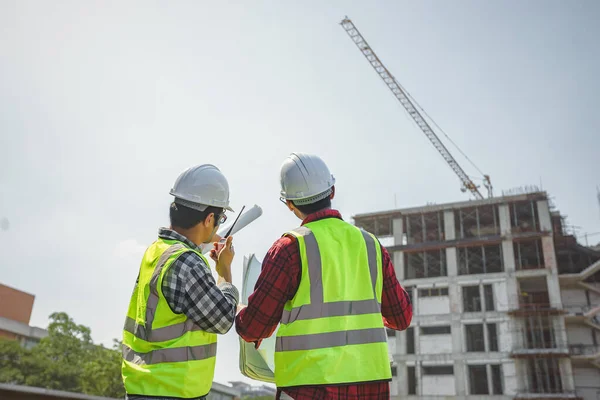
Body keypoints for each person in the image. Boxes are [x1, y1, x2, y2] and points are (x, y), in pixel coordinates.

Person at [236, 153, 413, 400]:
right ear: (332, 191)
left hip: (309, 388)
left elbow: (253, 327)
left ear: (289, 203)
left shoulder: (289, 249)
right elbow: (401, 317)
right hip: (370, 388)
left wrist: (238, 305)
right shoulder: (371, 246)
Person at [122, 164, 239, 400]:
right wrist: (224, 269)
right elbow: (223, 318)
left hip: (141, 387)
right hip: (173, 392)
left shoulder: (156, 251)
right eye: (221, 218)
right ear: (209, 219)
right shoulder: (188, 262)